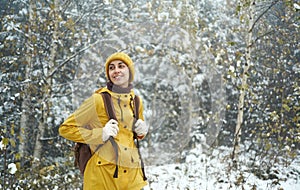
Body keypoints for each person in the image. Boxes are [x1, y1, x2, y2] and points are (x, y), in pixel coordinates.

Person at [59, 52, 149, 190]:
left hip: (131, 177)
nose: (116, 70)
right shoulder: (98, 100)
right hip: (102, 177)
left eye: (121, 66)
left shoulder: (136, 101)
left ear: (130, 71)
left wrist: (141, 132)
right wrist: (100, 134)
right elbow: (66, 128)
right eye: (111, 68)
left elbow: (130, 135)